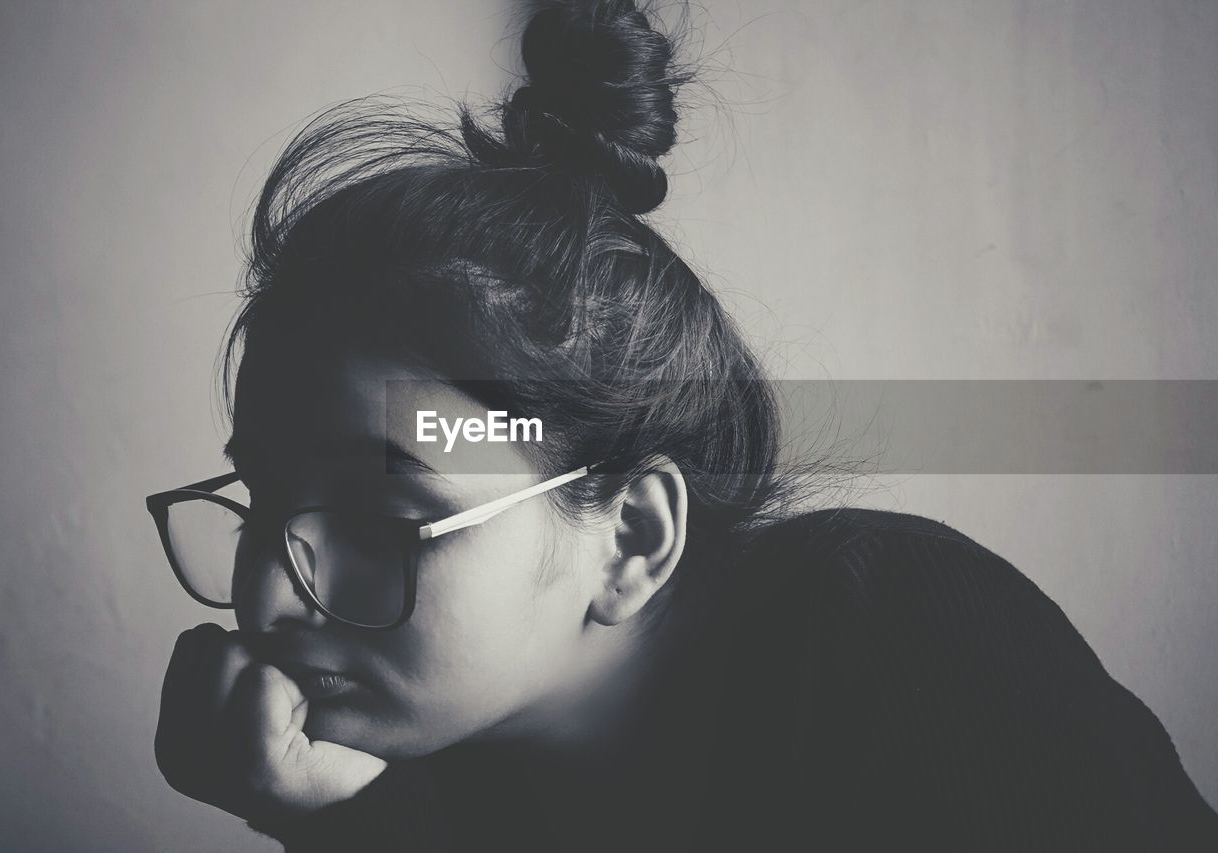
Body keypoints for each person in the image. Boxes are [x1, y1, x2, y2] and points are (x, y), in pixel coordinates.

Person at [147, 1, 1218, 849]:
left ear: (632, 537)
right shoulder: (411, 756)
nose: (268, 595)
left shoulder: (904, 645)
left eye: (384, 512)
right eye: (266, 503)